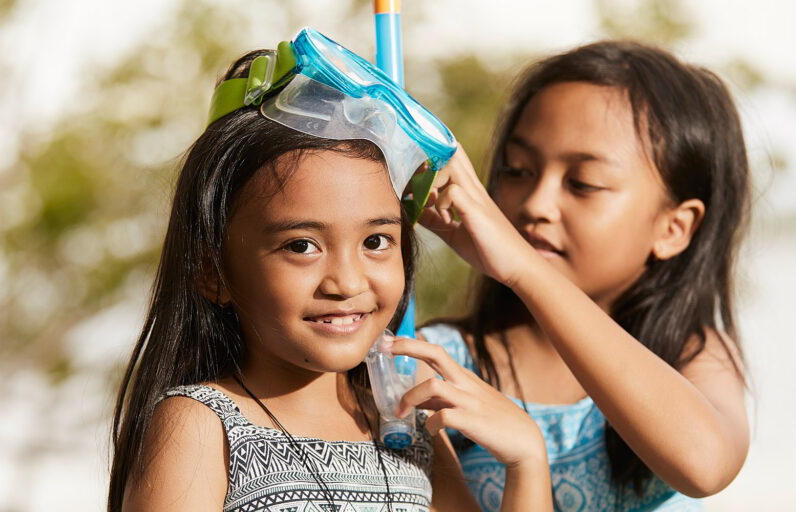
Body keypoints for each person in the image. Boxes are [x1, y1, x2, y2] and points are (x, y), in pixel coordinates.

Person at [107, 28, 553, 512]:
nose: (347, 282)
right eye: (301, 245)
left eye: (376, 242)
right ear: (211, 271)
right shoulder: (201, 425)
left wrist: (527, 462)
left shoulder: (410, 427)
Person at [401, 41, 752, 511]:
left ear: (674, 228)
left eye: (583, 183)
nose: (536, 205)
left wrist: (522, 268)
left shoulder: (693, 355)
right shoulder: (441, 363)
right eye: (518, 170)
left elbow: (704, 464)